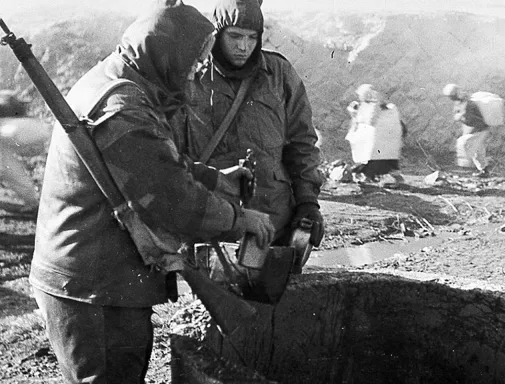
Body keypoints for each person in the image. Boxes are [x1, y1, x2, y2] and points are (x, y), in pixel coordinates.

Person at [29, 2, 275, 382]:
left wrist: (218, 180)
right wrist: (241, 220)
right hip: (94, 288)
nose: (195, 72)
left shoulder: (125, 82)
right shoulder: (123, 106)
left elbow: (157, 164)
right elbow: (171, 201)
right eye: (193, 61)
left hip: (98, 280)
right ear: (167, 53)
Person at [184, 0, 325, 248]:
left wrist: (307, 203)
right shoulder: (191, 76)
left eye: (252, 37)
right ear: (216, 33)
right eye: (235, 36)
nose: (243, 46)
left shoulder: (279, 74)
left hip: (273, 224)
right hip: (214, 223)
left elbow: (302, 143)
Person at [0, 91, 51, 213]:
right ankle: (33, 202)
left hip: (18, 129)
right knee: (6, 162)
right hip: (34, 129)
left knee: (6, 164)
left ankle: (33, 201)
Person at [345, 84, 406, 185]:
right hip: (386, 144)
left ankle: (368, 178)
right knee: (387, 162)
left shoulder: (372, 106)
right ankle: (393, 178)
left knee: (370, 161)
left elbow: (369, 122)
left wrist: (354, 114)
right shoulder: (382, 106)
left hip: (378, 143)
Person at [442, 83, 492, 178]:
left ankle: (466, 167)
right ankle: (484, 171)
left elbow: (470, 117)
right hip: (476, 129)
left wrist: (461, 116)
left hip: (480, 129)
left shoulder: (469, 103)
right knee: (478, 152)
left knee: (464, 143)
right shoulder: (461, 102)